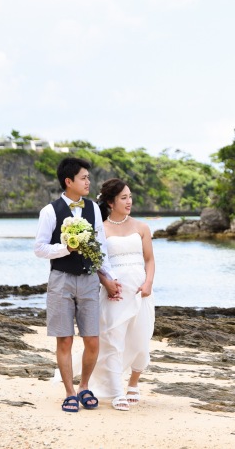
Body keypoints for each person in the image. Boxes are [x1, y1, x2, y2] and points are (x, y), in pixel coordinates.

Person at [34, 157, 120, 413]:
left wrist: (109, 278)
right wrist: (65, 248)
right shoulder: (49, 211)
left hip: (89, 280)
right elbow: (39, 249)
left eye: (88, 178)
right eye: (84, 178)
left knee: (93, 340)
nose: (88, 182)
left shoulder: (93, 208)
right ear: (68, 181)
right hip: (60, 279)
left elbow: (100, 247)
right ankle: (69, 392)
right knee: (65, 340)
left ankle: (84, 386)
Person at [89, 178, 156, 411]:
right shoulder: (100, 230)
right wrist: (106, 282)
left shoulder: (142, 227)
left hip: (140, 291)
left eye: (130, 196)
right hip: (114, 292)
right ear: (110, 202)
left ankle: (134, 383)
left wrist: (148, 283)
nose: (129, 201)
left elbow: (149, 259)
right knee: (113, 340)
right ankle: (117, 391)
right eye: (123, 198)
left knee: (141, 338)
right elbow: (96, 263)